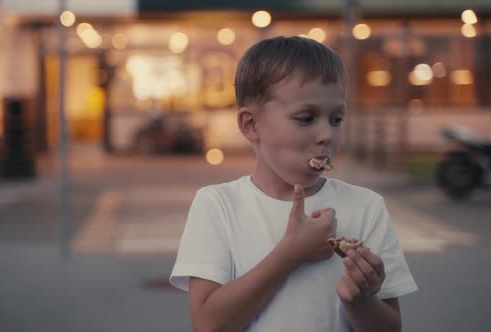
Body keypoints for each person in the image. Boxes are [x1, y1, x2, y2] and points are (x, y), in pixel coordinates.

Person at [169, 36, 417, 332]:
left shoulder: (366, 207)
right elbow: (208, 324)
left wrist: (360, 300)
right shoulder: (218, 205)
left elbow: (390, 327)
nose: (327, 134)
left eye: (336, 119)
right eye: (306, 118)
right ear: (251, 124)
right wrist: (291, 252)